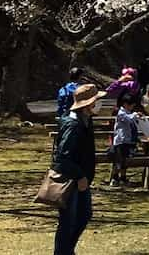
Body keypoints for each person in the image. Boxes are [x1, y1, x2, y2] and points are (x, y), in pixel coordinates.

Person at [52, 84, 103, 255]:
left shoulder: (85, 120)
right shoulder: (73, 124)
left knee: (84, 215)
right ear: (88, 104)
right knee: (69, 221)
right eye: (96, 101)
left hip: (82, 179)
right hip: (70, 180)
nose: (99, 104)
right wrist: (80, 176)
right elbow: (62, 157)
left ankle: (67, 250)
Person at [107, 93, 142, 187]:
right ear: (126, 104)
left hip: (129, 141)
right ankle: (115, 177)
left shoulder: (130, 113)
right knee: (118, 161)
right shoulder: (121, 113)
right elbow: (128, 119)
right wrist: (135, 115)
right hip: (120, 141)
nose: (132, 107)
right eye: (131, 105)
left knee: (125, 161)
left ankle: (123, 177)